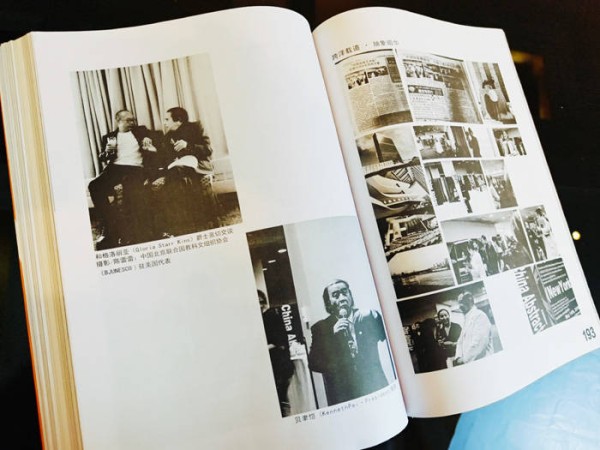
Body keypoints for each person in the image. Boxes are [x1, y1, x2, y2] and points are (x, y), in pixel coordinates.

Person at [308, 279, 388, 406]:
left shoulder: (367, 317)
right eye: (336, 295)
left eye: (345, 292)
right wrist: (332, 336)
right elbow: (314, 364)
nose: (342, 298)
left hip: (374, 389)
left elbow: (387, 337)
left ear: (350, 295)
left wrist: (376, 315)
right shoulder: (321, 328)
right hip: (344, 397)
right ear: (328, 303)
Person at [88, 109, 158, 247]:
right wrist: (106, 153)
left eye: (133, 120)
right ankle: (110, 223)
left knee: (131, 189)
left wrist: (148, 138)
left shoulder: (141, 131)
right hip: (115, 168)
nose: (132, 122)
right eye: (128, 120)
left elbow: (154, 139)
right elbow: (103, 158)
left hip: (135, 168)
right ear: (118, 121)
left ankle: (135, 233)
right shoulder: (109, 137)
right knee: (94, 186)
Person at [151, 107, 217, 235]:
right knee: (176, 176)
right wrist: (154, 151)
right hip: (179, 169)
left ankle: (187, 221)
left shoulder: (196, 127)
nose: (164, 123)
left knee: (176, 175)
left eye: (167, 119)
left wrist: (188, 146)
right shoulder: (168, 136)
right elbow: (165, 159)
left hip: (198, 165)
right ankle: (184, 221)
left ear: (179, 120)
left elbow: (208, 150)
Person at [259, 290, 294, 416]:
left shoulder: (269, 316)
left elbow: (280, 342)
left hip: (279, 365)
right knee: (280, 399)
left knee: (281, 399)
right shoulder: (269, 316)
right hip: (279, 365)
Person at [454, 291, 493, 366]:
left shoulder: (480, 316)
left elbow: (479, 344)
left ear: (470, 300)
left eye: (461, 302)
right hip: (468, 362)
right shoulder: (467, 318)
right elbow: (460, 341)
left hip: (483, 361)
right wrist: (458, 357)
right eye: (459, 303)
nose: (459, 306)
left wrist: (464, 360)